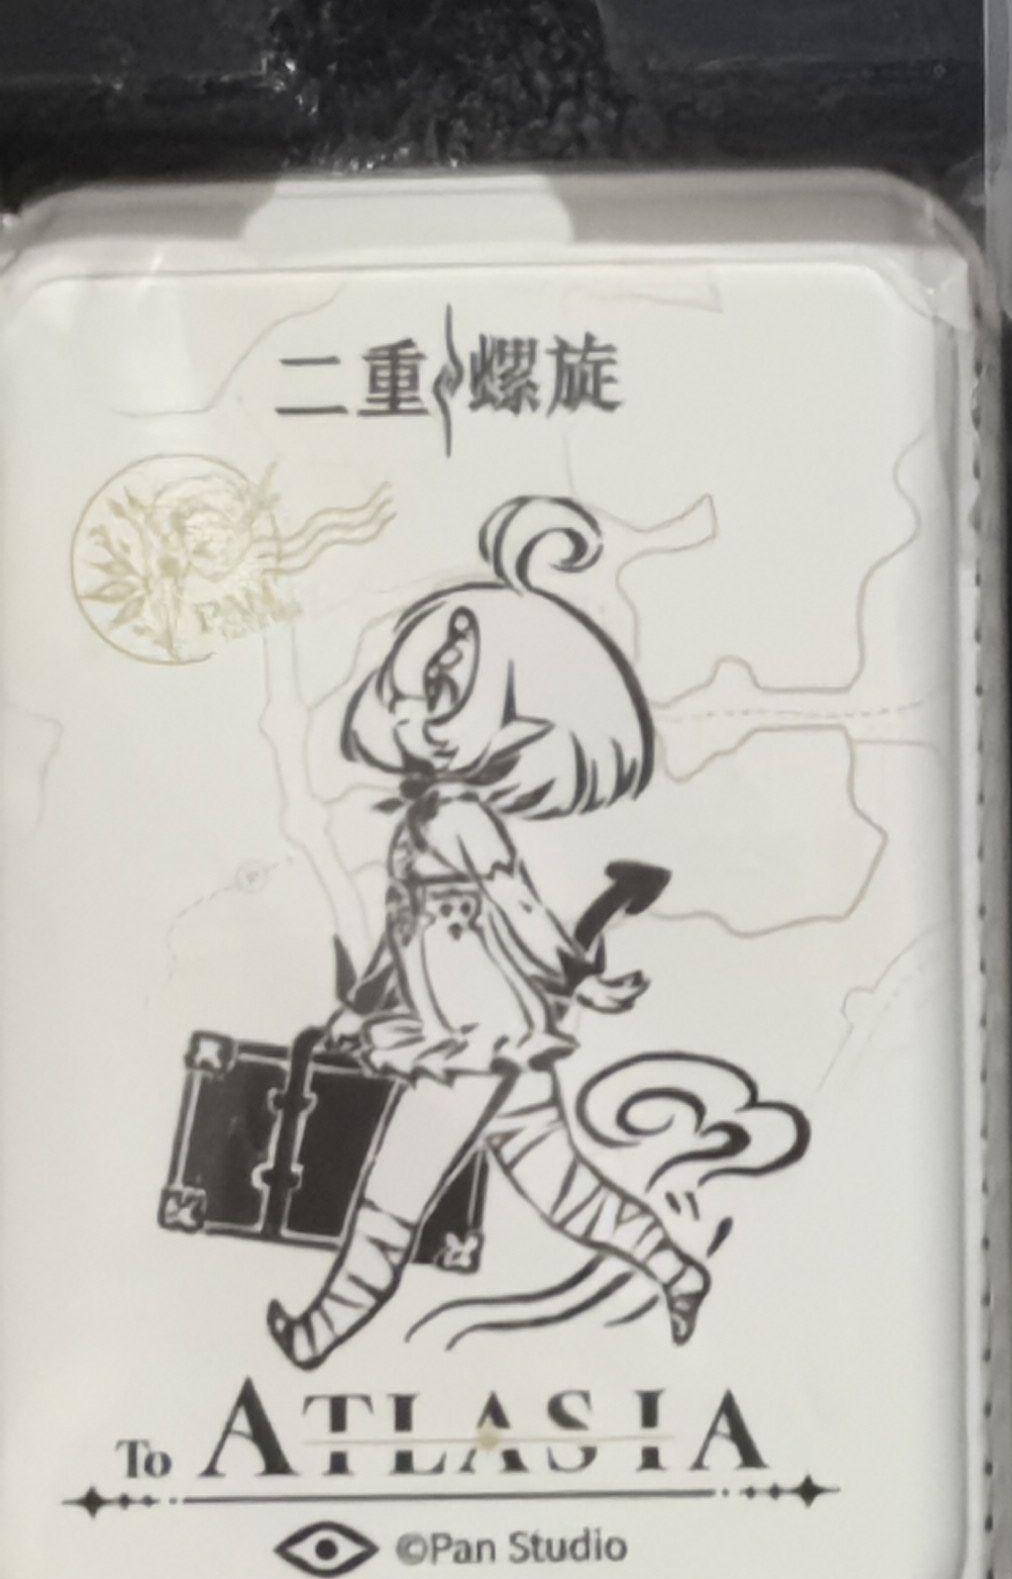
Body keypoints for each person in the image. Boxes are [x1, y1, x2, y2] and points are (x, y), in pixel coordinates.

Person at [268, 496, 706, 1370]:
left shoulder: (459, 817)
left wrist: (575, 977)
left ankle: (316, 1338)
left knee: (392, 1198)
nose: (415, 701)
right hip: (470, 1031)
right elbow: (407, 934)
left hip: (475, 1040)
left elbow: (518, 908)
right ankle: (675, 1268)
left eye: (445, 688)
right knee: (562, 1189)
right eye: (416, 683)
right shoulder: (429, 814)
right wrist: (367, 1008)